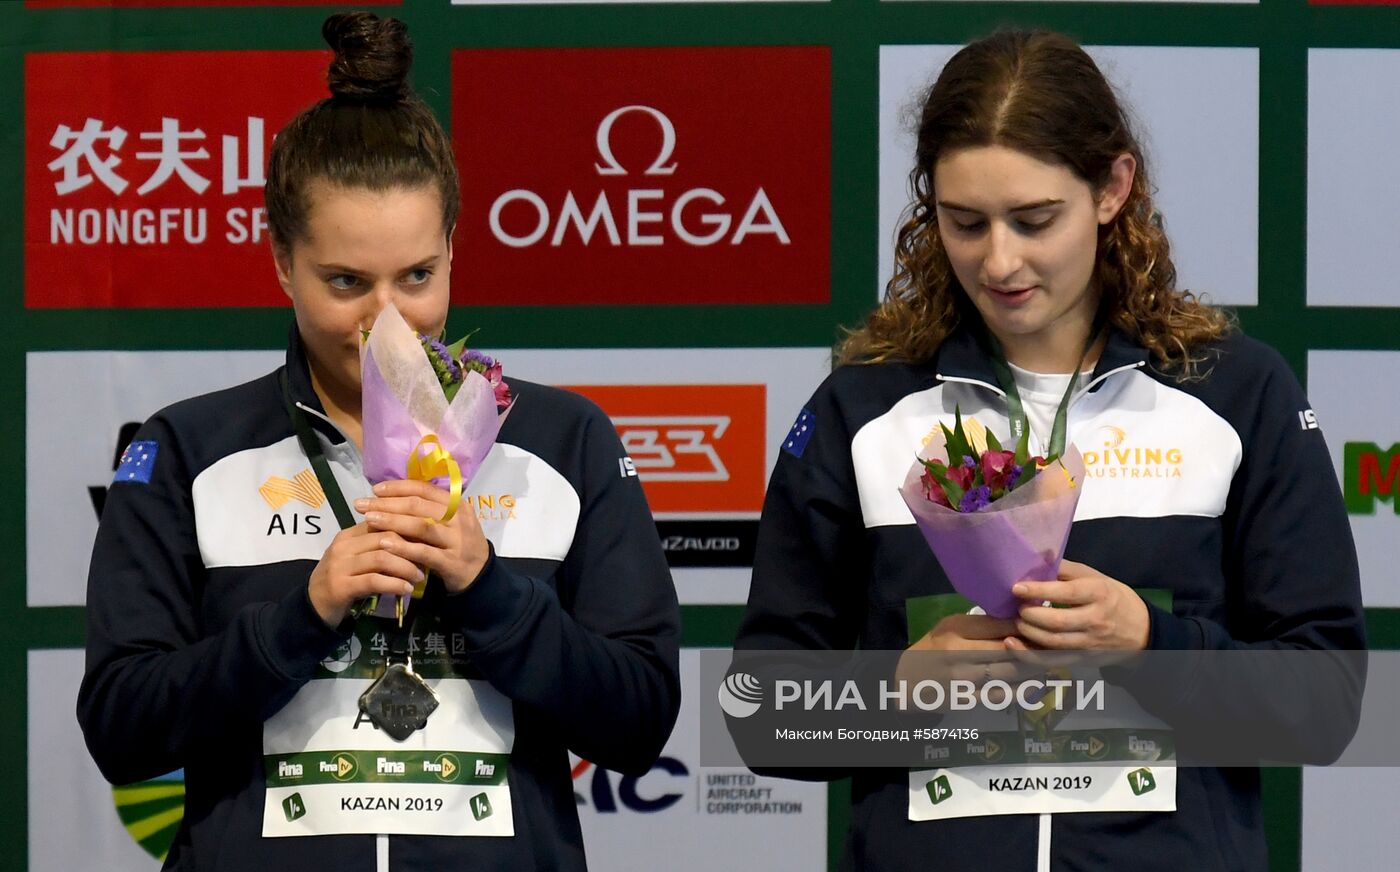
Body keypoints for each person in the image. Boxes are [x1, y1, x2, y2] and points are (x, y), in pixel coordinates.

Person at [734, 29, 1365, 871]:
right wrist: (896, 696)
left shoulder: (1235, 394)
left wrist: (1151, 645)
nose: (1000, 261)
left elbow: (1328, 705)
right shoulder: (865, 408)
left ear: (1113, 187)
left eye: (1035, 221)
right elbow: (757, 713)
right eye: (965, 223)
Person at [78, 12, 680, 870]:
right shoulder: (189, 451)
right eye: (346, 282)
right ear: (282, 261)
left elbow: (640, 720)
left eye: (418, 276)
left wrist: (490, 589)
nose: (386, 318)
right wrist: (301, 619)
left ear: (452, 252)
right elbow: (121, 731)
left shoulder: (561, 442)